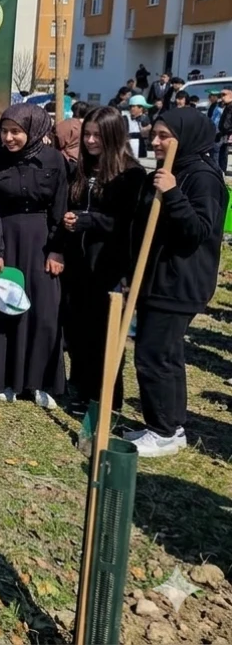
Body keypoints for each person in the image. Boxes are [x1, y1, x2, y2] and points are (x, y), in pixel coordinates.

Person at [123, 109, 227, 456]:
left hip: (179, 283)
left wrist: (173, 194)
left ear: (186, 138)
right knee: (165, 354)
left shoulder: (202, 178)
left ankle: (163, 432)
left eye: (164, 136)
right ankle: (170, 426)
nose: (155, 142)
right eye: (153, 134)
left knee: (154, 355)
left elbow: (197, 231)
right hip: (156, 278)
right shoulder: (168, 171)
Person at [0, 103, 68, 406]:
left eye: (16, 131)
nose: (8, 138)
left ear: (33, 130)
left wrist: (57, 249)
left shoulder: (54, 160)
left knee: (44, 313)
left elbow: (60, 206)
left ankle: (40, 382)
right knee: (4, 307)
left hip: (42, 244)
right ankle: (4, 378)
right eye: (5, 131)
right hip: (6, 241)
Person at [59, 106, 146, 410]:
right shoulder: (82, 169)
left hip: (109, 266)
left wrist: (88, 220)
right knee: (77, 329)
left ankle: (106, 399)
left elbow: (127, 224)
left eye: (98, 135)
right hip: (78, 264)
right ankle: (81, 389)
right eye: (87, 134)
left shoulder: (131, 174)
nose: (91, 141)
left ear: (113, 135)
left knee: (104, 335)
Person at [217, 86, 232, 173]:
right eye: (221, 95)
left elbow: (227, 123)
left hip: (227, 133)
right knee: (222, 154)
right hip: (224, 134)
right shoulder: (227, 106)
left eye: (224, 94)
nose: (222, 97)